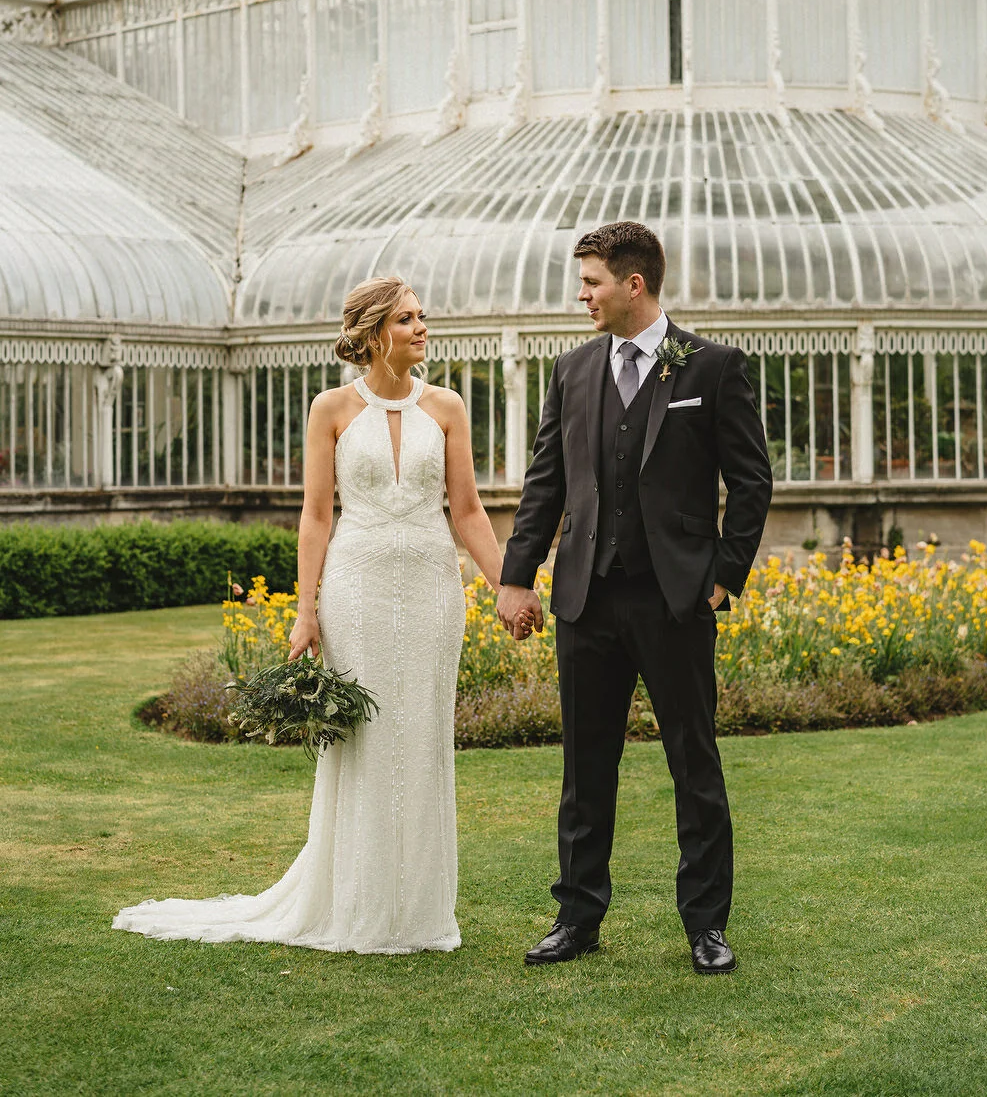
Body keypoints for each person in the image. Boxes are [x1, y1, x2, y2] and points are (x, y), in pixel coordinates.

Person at [114, 276, 505, 954]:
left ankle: (418, 914)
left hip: (433, 589)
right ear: (376, 332)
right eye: (407, 319)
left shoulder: (447, 407)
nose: (422, 327)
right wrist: (306, 612)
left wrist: (508, 587)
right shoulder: (329, 408)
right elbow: (317, 517)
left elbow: (468, 512)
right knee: (364, 740)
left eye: (423, 317)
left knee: (421, 741)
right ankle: (355, 903)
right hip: (355, 585)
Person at [497, 222, 772, 975]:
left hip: (676, 600)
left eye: (590, 283)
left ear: (634, 285)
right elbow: (545, 483)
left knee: (695, 763)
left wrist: (725, 573)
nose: (581, 295)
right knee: (586, 771)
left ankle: (706, 926)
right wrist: (517, 576)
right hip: (585, 597)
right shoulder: (573, 369)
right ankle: (577, 917)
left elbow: (751, 481)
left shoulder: (710, 367)